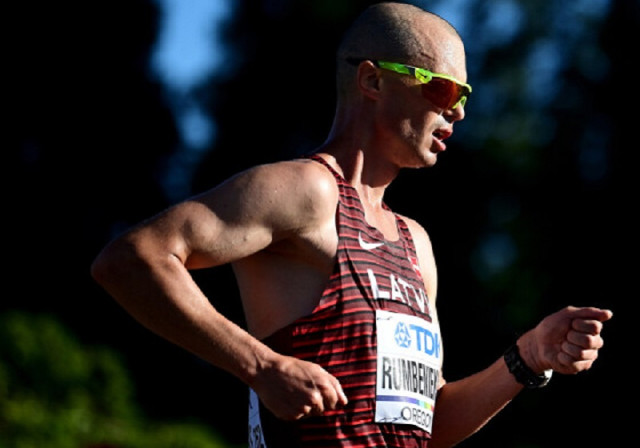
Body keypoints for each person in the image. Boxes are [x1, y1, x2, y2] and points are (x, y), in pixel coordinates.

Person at [91, 2, 612, 447]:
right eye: (442, 90)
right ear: (372, 79)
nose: (457, 113)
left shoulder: (416, 243)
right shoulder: (306, 191)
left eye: (465, 97)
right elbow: (133, 259)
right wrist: (261, 367)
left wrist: (527, 357)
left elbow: (430, 424)